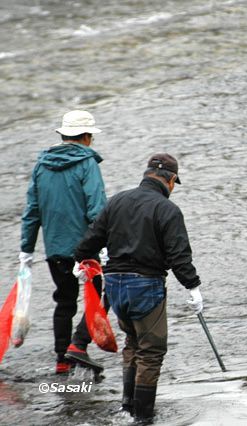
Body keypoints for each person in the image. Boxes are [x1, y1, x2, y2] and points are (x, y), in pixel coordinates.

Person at [74, 153, 203, 422]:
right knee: (151, 351)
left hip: (116, 286)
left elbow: (91, 239)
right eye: (173, 184)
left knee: (132, 343)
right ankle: (143, 417)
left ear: (147, 174)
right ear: (170, 179)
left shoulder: (116, 201)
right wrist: (193, 287)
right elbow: (179, 255)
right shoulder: (167, 210)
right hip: (146, 285)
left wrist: (80, 260)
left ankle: (126, 406)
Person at [20, 110, 109, 374]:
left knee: (65, 300)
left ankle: (61, 359)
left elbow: (32, 211)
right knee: (102, 295)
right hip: (86, 249)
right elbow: (97, 209)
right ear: (86, 136)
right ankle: (79, 346)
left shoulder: (41, 165)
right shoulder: (87, 164)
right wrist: (104, 245)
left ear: (63, 134)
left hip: (55, 249)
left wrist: (26, 250)